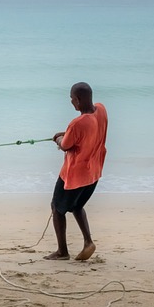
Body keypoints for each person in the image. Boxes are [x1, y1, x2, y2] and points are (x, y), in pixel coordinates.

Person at [44, 82, 108, 261]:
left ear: (78, 100)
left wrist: (58, 138)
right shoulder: (101, 110)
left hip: (74, 175)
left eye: (72, 99)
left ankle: (62, 252)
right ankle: (88, 242)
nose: (71, 102)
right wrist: (66, 134)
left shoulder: (78, 122)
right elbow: (85, 133)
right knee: (77, 206)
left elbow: (65, 145)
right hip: (93, 171)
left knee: (57, 208)